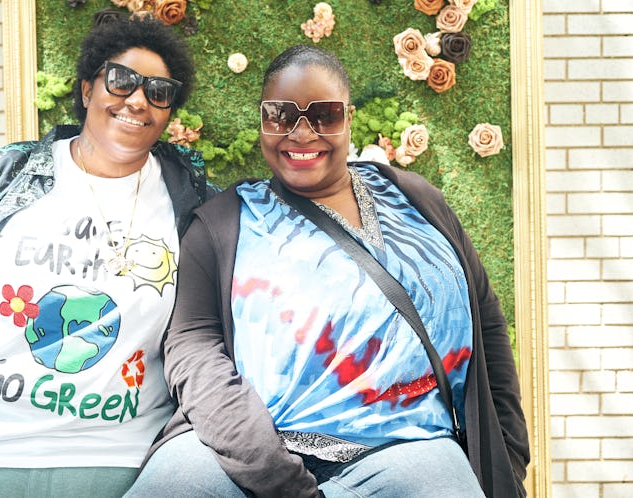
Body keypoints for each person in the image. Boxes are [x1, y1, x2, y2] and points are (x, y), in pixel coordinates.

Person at [126, 44, 530, 498]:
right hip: (244, 457)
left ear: (349, 118)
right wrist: (279, 479)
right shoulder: (223, 224)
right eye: (280, 115)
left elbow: (485, 320)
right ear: (262, 121)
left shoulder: (417, 201)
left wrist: (511, 453)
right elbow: (194, 354)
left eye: (324, 115)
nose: (301, 133)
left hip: (407, 451)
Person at [0, 12, 216, 497]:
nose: (138, 100)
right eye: (121, 81)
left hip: (120, 464)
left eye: (158, 91)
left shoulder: (197, 207)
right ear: (87, 89)